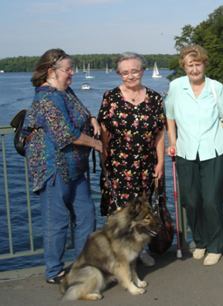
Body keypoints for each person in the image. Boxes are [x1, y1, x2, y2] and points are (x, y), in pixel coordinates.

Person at [22, 48, 102, 284]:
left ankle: (83, 264)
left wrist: (92, 118)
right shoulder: (46, 98)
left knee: (87, 216)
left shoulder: (66, 92)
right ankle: (54, 271)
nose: (72, 74)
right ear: (51, 72)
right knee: (56, 222)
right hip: (53, 169)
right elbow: (65, 134)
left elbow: (81, 110)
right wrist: (97, 144)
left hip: (76, 169)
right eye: (68, 70)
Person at [165, 45, 223, 266]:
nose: (194, 69)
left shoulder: (215, 88)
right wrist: (172, 141)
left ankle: (215, 245)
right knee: (191, 201)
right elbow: (170, 116)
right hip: (186, 152)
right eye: (190, 65)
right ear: (184, 66)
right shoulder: (176, 86)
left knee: (211, 201)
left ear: (204, 64)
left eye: (198, 64)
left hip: (215, 152)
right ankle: (200, 241)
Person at [97, 52, 165, 266]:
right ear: (119, 74)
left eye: (134, 71)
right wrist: (104, 162)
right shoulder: (111, 97)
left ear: (142, 71)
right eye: (125, 72)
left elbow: (160, 133)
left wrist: (160, 162)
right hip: (118, 165)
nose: (130, 76)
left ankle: (139, 250)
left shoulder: (154, 98)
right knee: (119, 213)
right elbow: (104, 133)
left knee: (143, 211)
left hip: (146, 165)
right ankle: (118, 255)